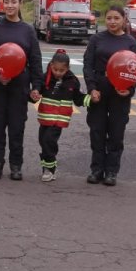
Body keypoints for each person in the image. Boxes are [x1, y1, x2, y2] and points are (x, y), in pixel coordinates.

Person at [0, 0, 42, 180]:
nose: (10, 5)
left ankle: (16, 165)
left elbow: (35, 60)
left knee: (17, 126)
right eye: (6, 2)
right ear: (2, 4)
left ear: (20, 3)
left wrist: (36, 86)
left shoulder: (28, 30)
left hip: (19, 85)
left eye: (13, 2)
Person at [81, 5, 136, 186]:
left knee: (116, 133)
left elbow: (135, 69)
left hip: (119, 95)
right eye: (109, 18)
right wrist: (92, 88)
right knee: (97, 132)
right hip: (99, 92)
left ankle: (111, 172)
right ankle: (96, 170)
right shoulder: (96, 39)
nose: (112, 22)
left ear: (124, 19)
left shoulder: (130, 42)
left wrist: (128, 90)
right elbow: (87, 65)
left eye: (116, 18)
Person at [35, 49, 88, 182]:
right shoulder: (45, 77)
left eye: (61, 71)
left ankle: (50, 169)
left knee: (49, 142)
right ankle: (47, 167)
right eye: (55, 69)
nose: (58, 73)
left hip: (58, 120)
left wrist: (91, 100)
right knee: (43, 142)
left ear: (68, 68)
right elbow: (36, 93)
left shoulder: (73, 81)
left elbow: (79, 99)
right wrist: (33, 94)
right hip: (45, 118)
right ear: (51, 65)